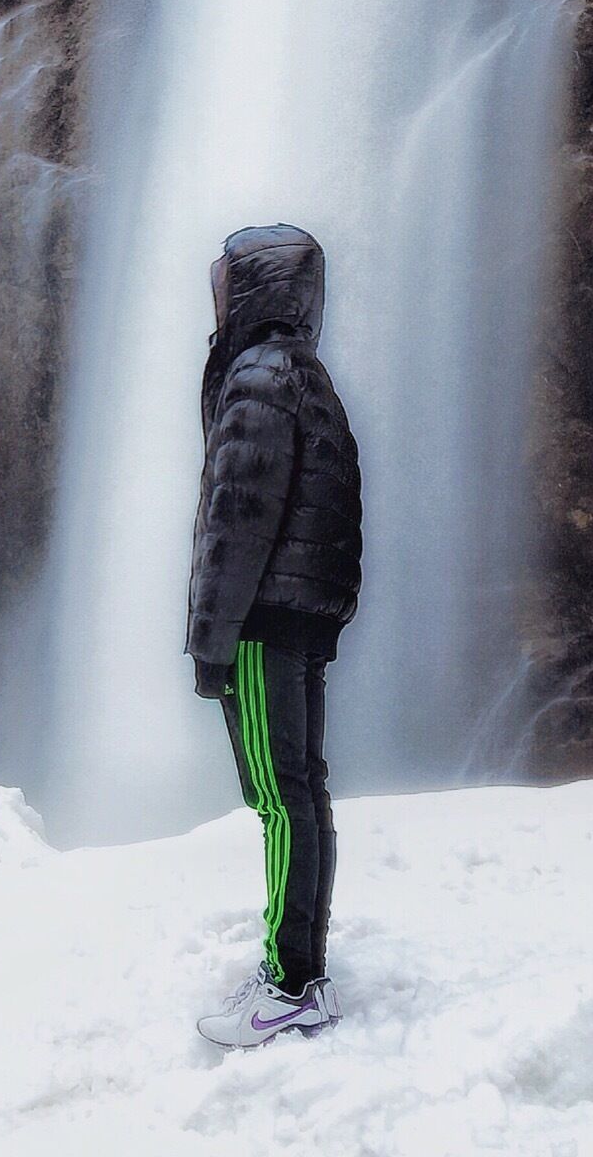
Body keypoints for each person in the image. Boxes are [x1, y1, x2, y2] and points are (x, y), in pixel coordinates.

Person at [188, 223, 362, 1048]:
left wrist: (212, 642)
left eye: (223, 280)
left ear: (249, 289)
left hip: (260, 618)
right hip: (295, 613)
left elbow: (236, 522)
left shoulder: (256, 377)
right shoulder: (301, 374)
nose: (213, 293)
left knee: (277, 798)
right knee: (300, 790)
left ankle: (291, 982)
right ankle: (301, 966)